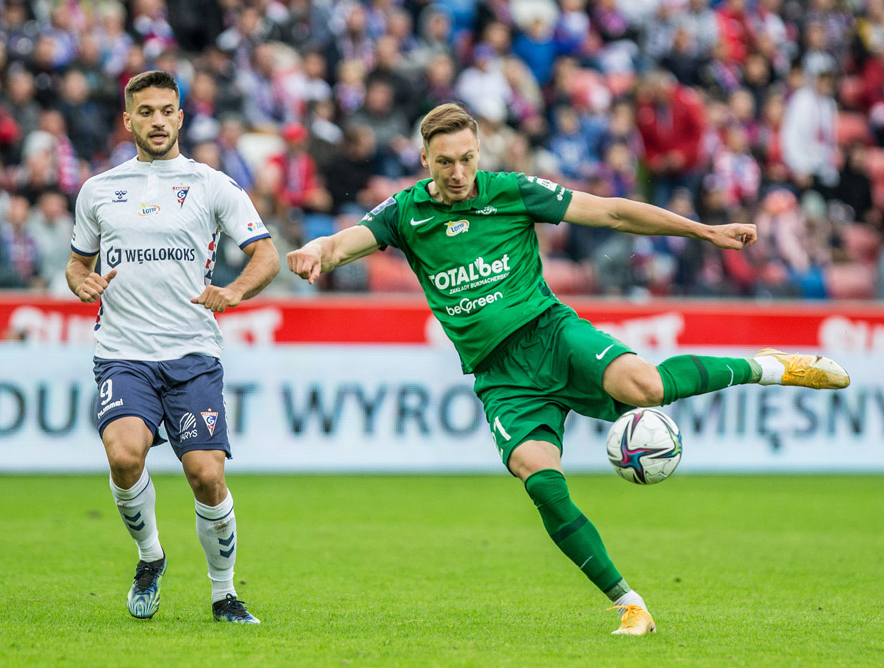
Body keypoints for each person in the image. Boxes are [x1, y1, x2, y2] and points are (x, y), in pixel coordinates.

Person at [286, 103, 851, 636]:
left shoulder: (510, 192)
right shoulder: (407, 212)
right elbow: (343, 243)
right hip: (501, 375)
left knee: (647, 386)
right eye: (445, 162)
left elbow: (610, 211)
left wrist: (701, 231)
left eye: (467, 159)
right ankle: (631, 606)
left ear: (479, 153)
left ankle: (768, 366)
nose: (458, 172)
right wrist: (317, 249)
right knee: (539, 478)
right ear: (425, 160)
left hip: (551, 333)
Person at [66, 70, 279, 624]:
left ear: (181, 116)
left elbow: (266, 256)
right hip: (123, 352)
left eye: (167, 110)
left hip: (191, 355)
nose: (157, 121)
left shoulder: (212, 185)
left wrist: (232, 291)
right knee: (123, 455)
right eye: (146, 111)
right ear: (128, 119)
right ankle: (150, 557)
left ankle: (224, 592)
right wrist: (79, 282)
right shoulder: (99, 189)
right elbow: (77, 261)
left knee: (207, 476)